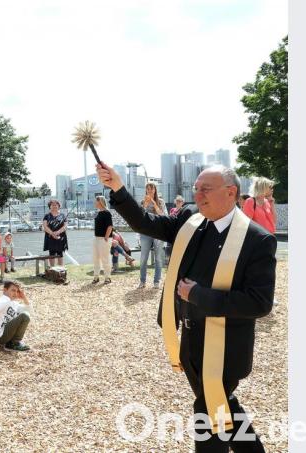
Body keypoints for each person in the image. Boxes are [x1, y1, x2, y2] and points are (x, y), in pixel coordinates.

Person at [97, 162, 276, 451]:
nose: (198, 195)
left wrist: (198, 296)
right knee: (223, 407)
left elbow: (259, 302)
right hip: (190, 339)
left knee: (208, 412)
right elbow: (146, 222)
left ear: (231, 192)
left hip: (227, 348)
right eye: (196, 189)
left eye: (206, 189)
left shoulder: (257, 240)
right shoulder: (190, 219)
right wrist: (118, 187)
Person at [0, 280, 32, 351]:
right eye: (13, 290)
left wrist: (24, 297)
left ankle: (11, 342)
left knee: (25, 315)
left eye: (17, 291)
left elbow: (28, 310)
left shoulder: (12, 302)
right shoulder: (4, 301)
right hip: (0, 335)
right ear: (4, 290)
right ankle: (14, 343)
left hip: (3, 333)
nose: (15, 293)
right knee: (24, 316)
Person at [138, 182, 166, 289]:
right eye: (148, 189)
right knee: (143, 258)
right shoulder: (142, 202)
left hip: (158, 232)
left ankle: (156, 281)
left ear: (155, 190)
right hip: (145, 232)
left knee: (158, 258)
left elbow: (163, 215)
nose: (150, 191)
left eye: (151, 189)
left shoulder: (161, 202)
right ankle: (142, 281)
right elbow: (139, 217)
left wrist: (154, 203)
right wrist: (145, 204)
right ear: (146, 190)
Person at [92, 195, 113, 284]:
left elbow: (110, 226)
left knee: (105, 258)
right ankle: (96, 276)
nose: (94, 203)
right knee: (95, 258)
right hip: (96, 239)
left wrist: (106, 237)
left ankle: (107, 277)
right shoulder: (99, 213)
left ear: (100, 202)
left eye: (96, 201)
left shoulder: (107, 212)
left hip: (103, 239)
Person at [42, 199, 68, 268]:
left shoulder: (63, 215)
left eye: (56, 205)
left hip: (61, 237)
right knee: (52, 253)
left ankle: (60, 269)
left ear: (59, 206)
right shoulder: (47, 216)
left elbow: (65, 226)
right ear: (49, 206)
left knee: (60, 253)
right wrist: (52, 233)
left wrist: (57, 232)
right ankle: (52, 269)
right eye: (52, 205)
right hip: (50, 237)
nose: (54, 206)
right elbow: (45, 226)